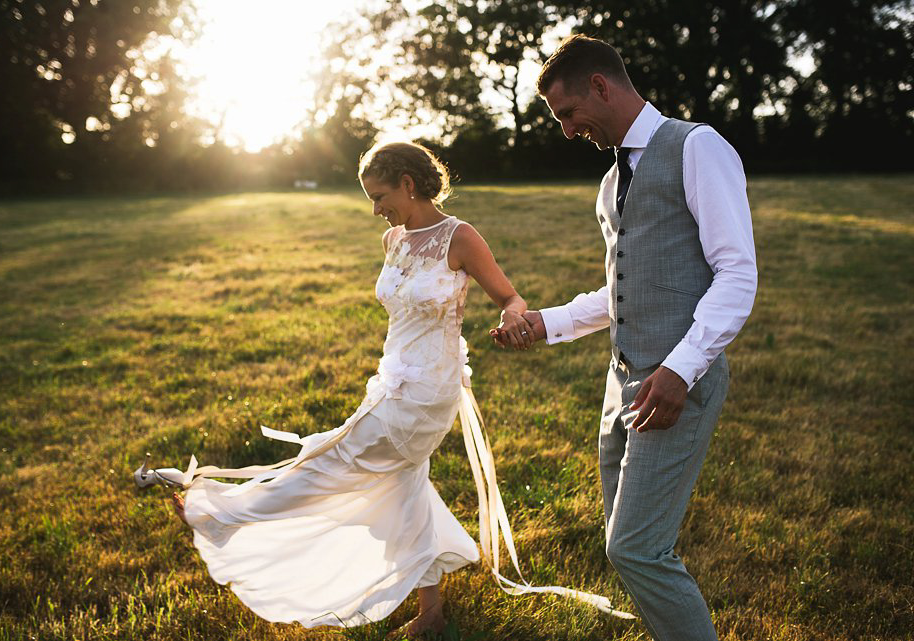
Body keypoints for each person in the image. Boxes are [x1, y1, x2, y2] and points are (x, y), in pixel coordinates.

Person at [133, 141, 628, 639]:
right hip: (390, 379)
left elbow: (510, 295)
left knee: (335, 458)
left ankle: (222, 514)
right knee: (400, 483)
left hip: (428, 390)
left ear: (409, 185)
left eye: (380, 195)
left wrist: (514, 317)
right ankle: (430, 612)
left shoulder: (460, 237)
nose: (375, 209)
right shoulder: (392, 240)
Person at [493, 35, 757, 641]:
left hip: (674, 384)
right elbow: (628, 288)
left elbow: (738, 272)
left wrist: (680, 369)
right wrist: (546, 322)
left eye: (566, 113)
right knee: (626, 542)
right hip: (622, 387)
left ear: (600, 86)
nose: (566, 131)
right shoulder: (612, 183)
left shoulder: (697, 147)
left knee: (637, 549)